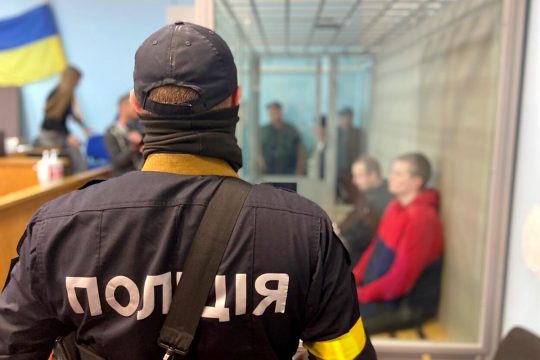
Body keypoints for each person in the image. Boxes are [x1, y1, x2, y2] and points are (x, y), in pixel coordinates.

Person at [0, 22, 377, 360]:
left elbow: (12, 348)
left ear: (136, 105)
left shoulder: (59, 229)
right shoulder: (304, 231)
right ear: (236, 99)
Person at [353, 153, 444, 334]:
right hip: (383, 296)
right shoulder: (394, 207)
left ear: (416, 181)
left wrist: (359, 295)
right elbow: (373, 249)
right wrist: (351, 280)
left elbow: (399, 282)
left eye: (398, 174)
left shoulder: (422, 218)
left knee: (338, 328)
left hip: (407, 305)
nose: (390, 178)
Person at [336, 155, 393, 265]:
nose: (354, 181)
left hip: (365, 257)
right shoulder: (366, 195)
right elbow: (354, 216)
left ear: (373, 175)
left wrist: (342, 237)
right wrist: (338, 229)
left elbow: (367, 232)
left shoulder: (383, 200)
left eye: (359, 176)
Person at [36, 65, 91, 173]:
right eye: (78, 80)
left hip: (59, 133)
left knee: (76, 152)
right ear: (72, 79)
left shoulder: (68, 96)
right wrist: (68, 136)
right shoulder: (57, 95)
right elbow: (51, 121)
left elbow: (70, 115)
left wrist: (84, 127)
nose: (79, 83)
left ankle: (81, 178)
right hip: (50, 135)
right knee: (72, 155)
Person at [260, 101, 305, 175]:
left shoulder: (292, 130)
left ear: (281, 111)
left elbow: (300, 152)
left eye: (275, 111)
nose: (273, 115)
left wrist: (298, 171)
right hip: (268, 174)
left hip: (289, 174)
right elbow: (258, 148)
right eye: (271, 113)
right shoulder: (263, 131)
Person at [104, 94, 143, 176]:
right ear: (124, 107)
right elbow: (117, 162)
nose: (138, 108)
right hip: (124, 178)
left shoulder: (137, 127)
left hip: (141, 173)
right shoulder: (111, 133)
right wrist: (132, 148)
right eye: (134, 105)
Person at [337, 107, 366, 203]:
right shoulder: (335, 132)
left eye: (347, 117)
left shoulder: (358, 133)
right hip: (337, 167)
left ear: (351, 118)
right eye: (342, 117)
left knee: (352, 189)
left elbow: (361, 150)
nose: (345, 120)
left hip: (351, 166)